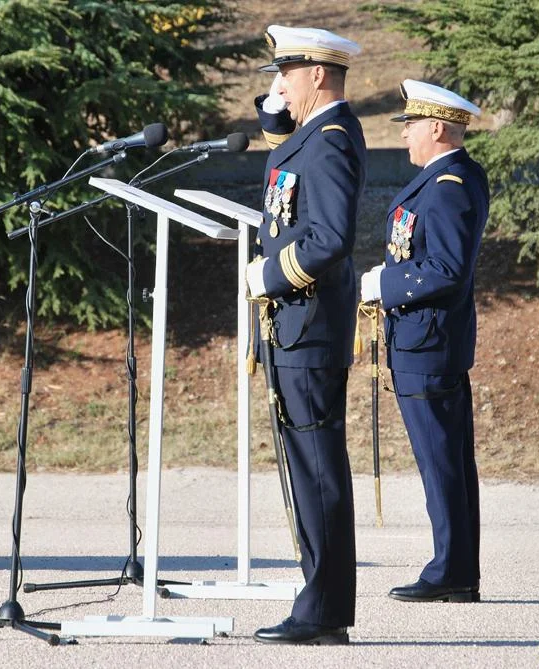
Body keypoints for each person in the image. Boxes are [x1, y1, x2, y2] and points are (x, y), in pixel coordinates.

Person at [245, 25, 367, 645]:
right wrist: (274, 101)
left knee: (318, 470)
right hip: (296, 327)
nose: (280, 83)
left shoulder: (333, 139)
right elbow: (276, 158)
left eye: (287, 72)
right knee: (308, 468)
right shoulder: (312, 136)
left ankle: (322, 610)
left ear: (317, 75)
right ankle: (319, 600)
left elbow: (330, 238)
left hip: (310, 323)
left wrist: (270, 274)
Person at [360, 80, 489, 603]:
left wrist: (382, 285)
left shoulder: (449, 186)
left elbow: (447, 270)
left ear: (437, 128)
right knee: (448, 460)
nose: (407, 134)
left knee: (441, 461)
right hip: (427, 340)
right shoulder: (446, 180)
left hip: (427, 343)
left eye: (411, 125)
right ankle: (457, 570)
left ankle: (448, 570)